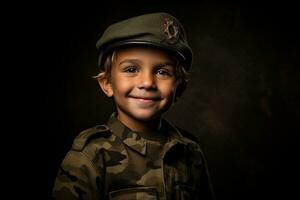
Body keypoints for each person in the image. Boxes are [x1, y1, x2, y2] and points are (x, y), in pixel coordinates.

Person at [52, 12, 215, 200]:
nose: (147, 82)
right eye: (131, 69)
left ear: (179, 88)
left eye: (163, 72)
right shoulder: (91, 155)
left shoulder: (190, 153)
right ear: (107, 83)